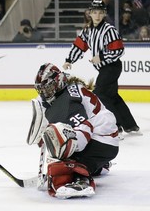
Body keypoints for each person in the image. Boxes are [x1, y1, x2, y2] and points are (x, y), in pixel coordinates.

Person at [27, 63, 119, 199]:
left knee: (63, 156)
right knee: (61, 145)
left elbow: (85, 128)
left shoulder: (68, 100)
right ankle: (98, 165)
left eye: (49, 88)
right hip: (105, 139)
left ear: (59, 81)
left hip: (103, 142)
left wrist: (67, 152)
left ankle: (82, 180)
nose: (45, 93)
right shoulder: (68, 92)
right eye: (42, 90)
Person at [62, 0, 140, 134]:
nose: (97, 15)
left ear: (104, 13)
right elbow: (79, 46)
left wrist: (101, 57)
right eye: (94, 12)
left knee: (100, 94)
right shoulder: (87, 30)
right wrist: (69, 60)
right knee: (112, 96)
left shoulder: (109, 30)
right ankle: (130, 125)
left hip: (112, 67)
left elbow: (119, 50)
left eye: (100, 12)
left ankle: (116, 126)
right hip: (104, 68)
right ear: (90, 13)